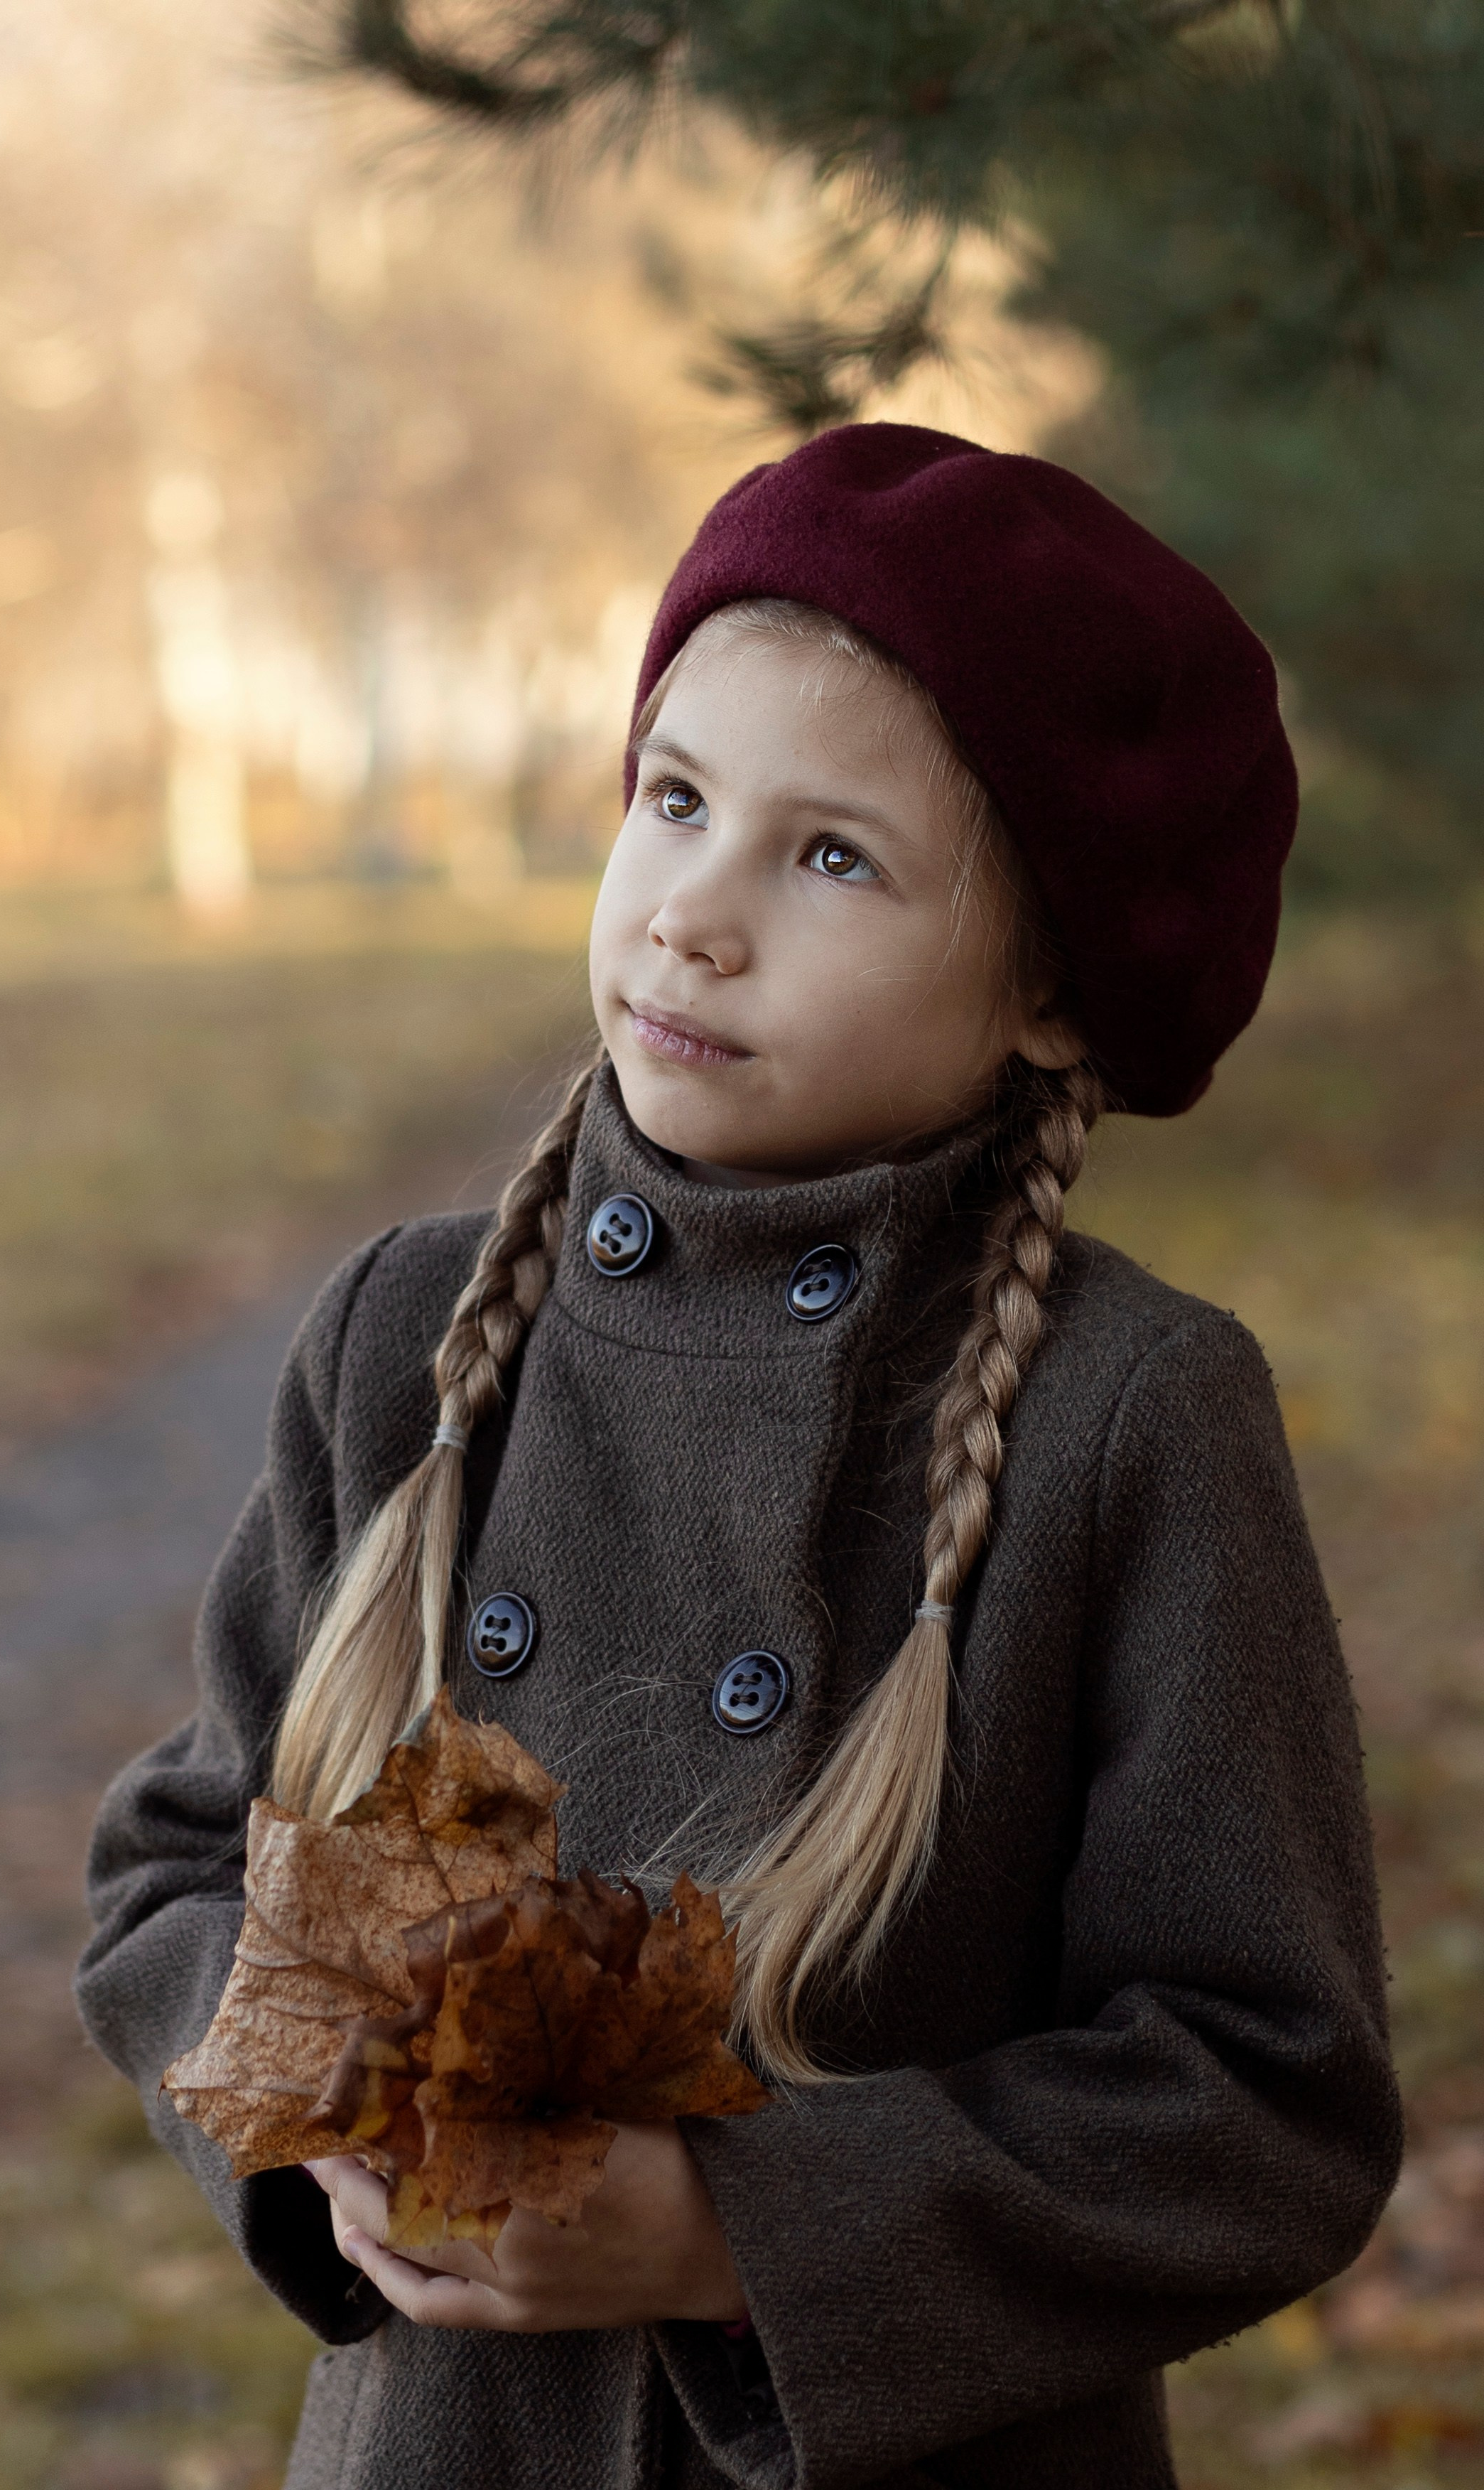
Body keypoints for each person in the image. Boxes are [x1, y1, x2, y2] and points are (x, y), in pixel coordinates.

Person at [77, 424, 1402, 2490]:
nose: (694, 915)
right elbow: (173, 1872)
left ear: (1055, 990)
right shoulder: (407, 1346)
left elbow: (1262, 2098)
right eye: (676, 801)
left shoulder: (1131, 1414)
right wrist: (315, 2114)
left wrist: (733, 2239)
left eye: (833, 856)